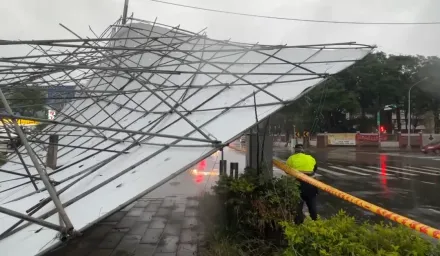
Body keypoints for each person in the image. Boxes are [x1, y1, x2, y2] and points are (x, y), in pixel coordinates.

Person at [286, 144, 318, 224]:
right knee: (312, 205)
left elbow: (287, 171)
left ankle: (299, 224)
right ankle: (316, 223)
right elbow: (314, 169)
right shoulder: (311, 158)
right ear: (303, 150)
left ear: (295, 150)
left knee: (298, 207)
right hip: (310, 185)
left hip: (297, 185)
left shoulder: (291, 158)